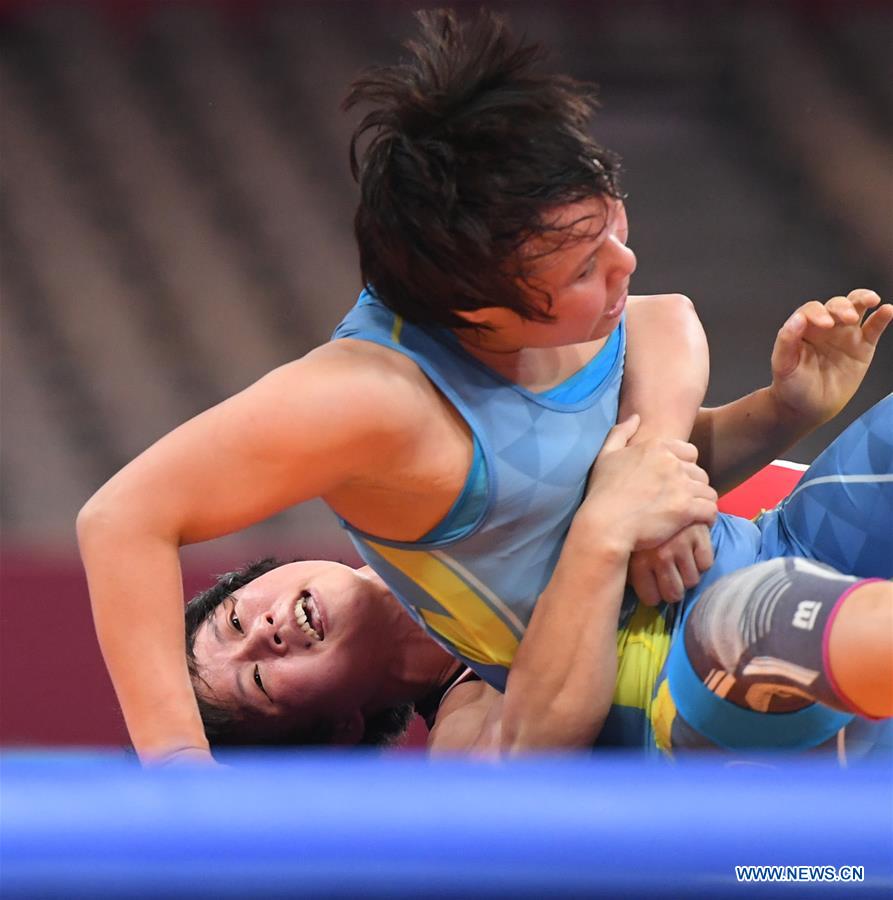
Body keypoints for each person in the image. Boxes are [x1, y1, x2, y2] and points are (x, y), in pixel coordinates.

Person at [77, 8, 892, 764]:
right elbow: (121, 518)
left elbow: (658, 319)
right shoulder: (371, 398)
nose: (624, 265)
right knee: (756, 620)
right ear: (481, 313)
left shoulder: (522, 277)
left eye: (612, 222)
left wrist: (692, 439)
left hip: (782, 543)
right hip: (697, 668)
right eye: (584, 267)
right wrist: (182, 781)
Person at [185, 393, 893, 759]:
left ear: (266, 570)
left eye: (238, 619)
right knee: (743, 626)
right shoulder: (467, 743)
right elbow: (529, 758)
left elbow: (658, 318)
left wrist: (780, 410)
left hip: (793, 534)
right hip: (756, 716)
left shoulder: (423, 488)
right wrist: (606, 528)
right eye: (256, 680)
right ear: (338, 730)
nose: (266, 633)